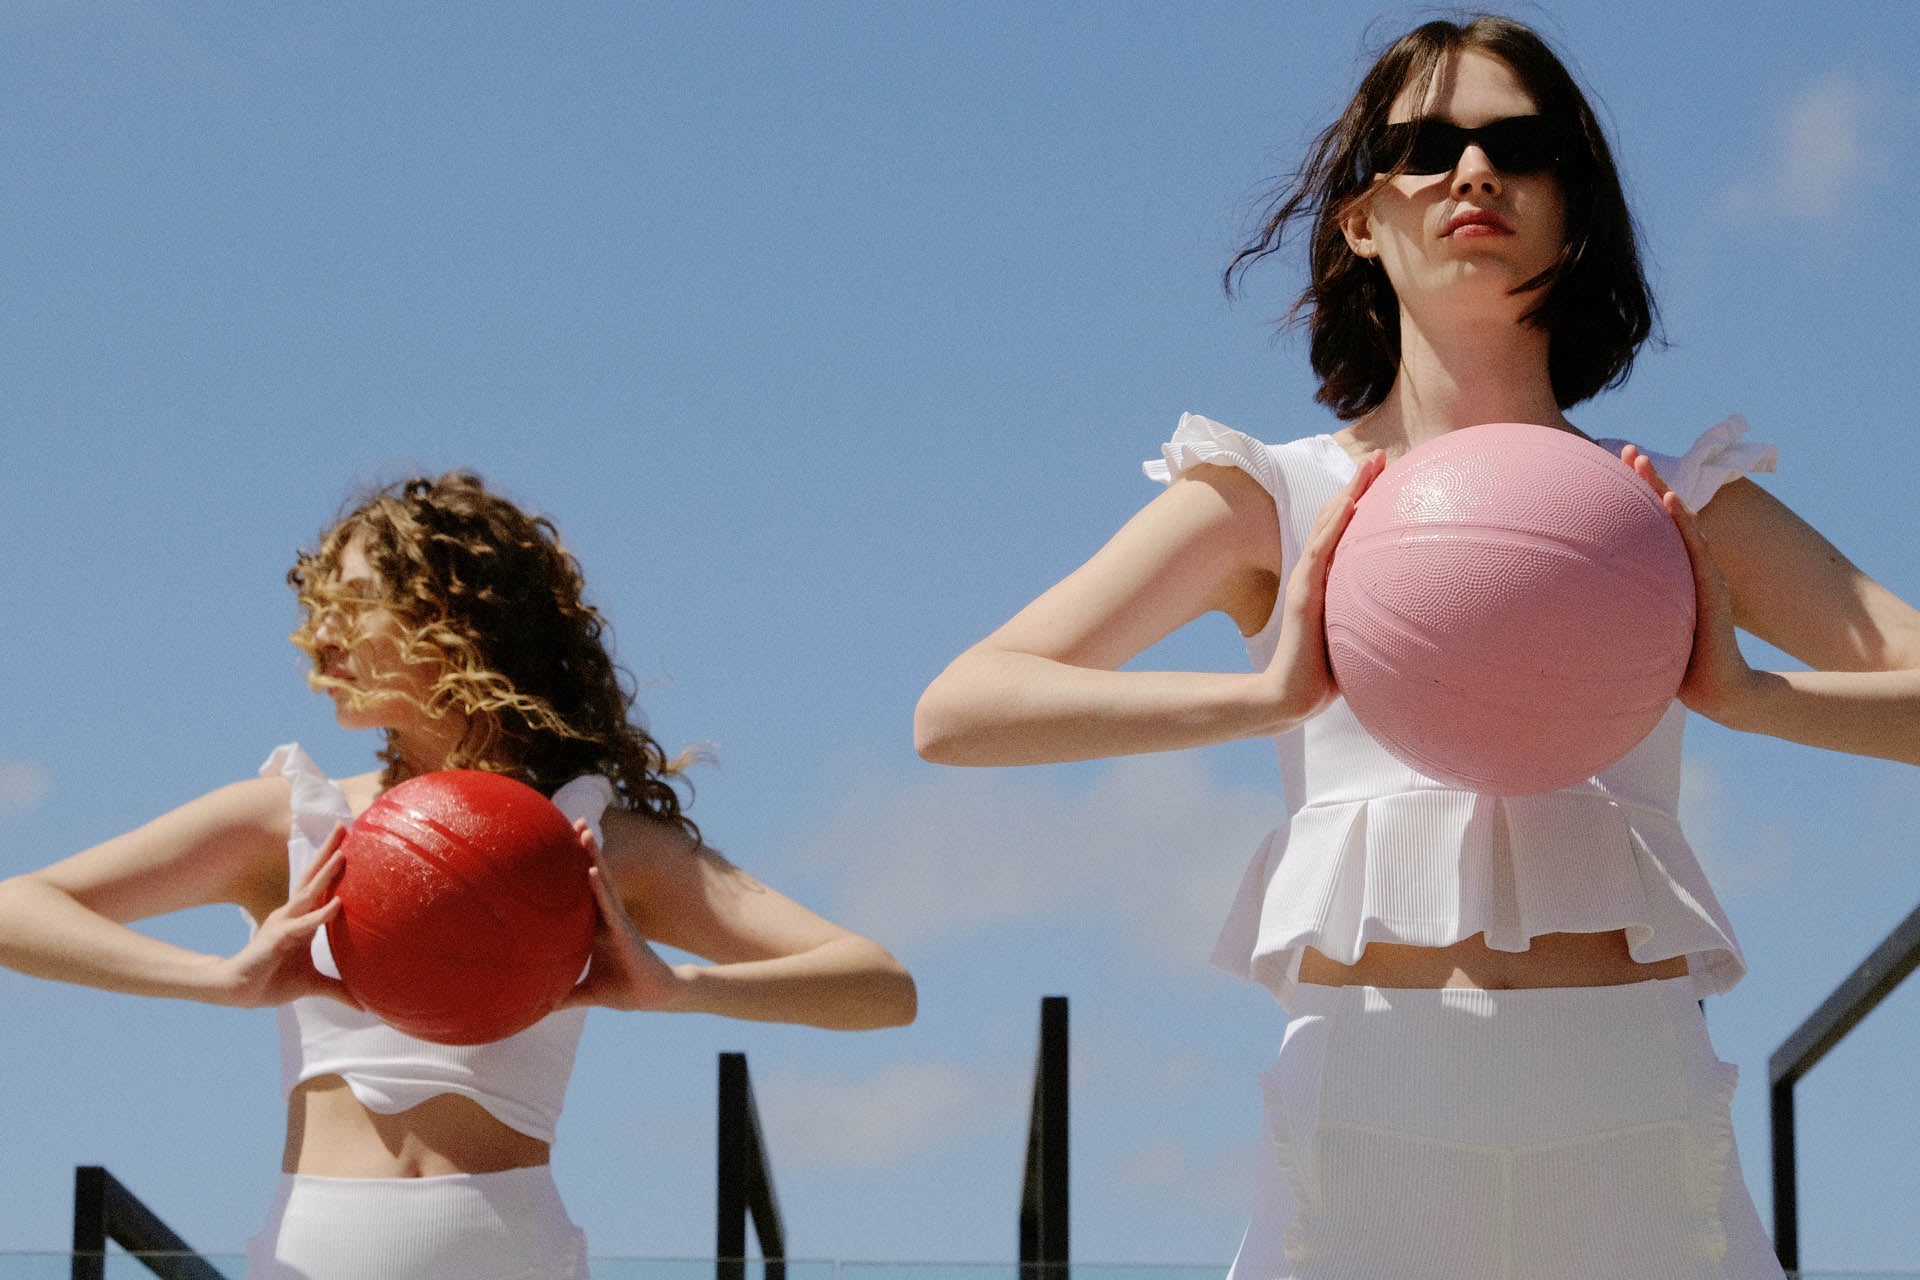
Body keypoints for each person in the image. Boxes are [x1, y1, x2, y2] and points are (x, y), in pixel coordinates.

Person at [915, 15, 1917, 1279]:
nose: (1472, 172)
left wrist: (1754, 694)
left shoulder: (1674, 503)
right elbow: (960, 707)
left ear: (1574, 206)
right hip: (1362, 1113)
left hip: (1634, 1111)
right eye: (1425, 146)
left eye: (1520, 145)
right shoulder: (1272, 495)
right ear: (1359, 217)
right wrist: (1270, 693)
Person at [0, 470, 916, 1280]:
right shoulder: (293, 819)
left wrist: (678, 987)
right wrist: (220, 981)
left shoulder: (590, 837)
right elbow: (17, 912)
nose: (321, 635)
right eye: (321, 604)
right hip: (313, 1252)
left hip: (513, 1250)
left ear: (461, 614)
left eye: (356, 600)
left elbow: (880, 986)